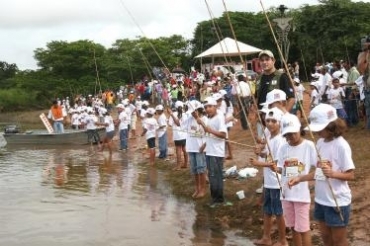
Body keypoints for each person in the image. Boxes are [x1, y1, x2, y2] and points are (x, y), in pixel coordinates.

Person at [289, 104, 355, 246]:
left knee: (338, 240)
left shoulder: (341, 146)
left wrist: (332, 173)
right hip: (321, 200)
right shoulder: (319, 142)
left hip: (338, 201)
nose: (317, 132)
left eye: (320, 128)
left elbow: (350, 175)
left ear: (331, 126)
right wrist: (300, 178)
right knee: (325, 237)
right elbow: (320, 173)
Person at [276, 113, 317, 246]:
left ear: (300, 129)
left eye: (294, 132)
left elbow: (319, 170)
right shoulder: (283, 148)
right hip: (286, 194)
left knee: (304, 229)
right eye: (288, 134)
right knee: (293, 227)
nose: (291, 136)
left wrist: (300, 178)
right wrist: (274, 168)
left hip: (301, 195)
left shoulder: (309, 146)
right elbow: (282, 169)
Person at [249, 107, 288, 246]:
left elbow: (275, 163)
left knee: (278, 212)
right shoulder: (270, 137)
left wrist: (258, 162)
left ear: (280, 123)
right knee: (267, 210)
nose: (270, 123)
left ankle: (283, 240)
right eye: (268, 121)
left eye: (273, 121)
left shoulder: (280, 140)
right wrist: (260, 153)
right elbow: (268, 155)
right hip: (269, 182)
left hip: (277, 182)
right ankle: (266, 238)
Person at [196, 97, 229, 208]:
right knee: (211, 175)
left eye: (210, 106)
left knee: (216, 176)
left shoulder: (219, 118)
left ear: (215, 107)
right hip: (209, 151)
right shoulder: (210, 119)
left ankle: (219, 199)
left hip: (216, 153)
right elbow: (209, 135)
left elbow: (223, 135)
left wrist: (209, 130)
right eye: (206, 107)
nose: (208, 109)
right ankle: (214, 198)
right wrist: (204, 145)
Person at [182, 100, 208, 198]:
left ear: (198, 110)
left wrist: (200, 121)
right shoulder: (189, 119)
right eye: (191, 113)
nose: (192, 114)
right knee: (194, 170)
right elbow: (180, 125)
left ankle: (202, 189)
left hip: (200, 148)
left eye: (194, 112)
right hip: (191, 147)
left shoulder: (205, 119)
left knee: (201, 169)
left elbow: (208, 132)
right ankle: (197, 188)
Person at [167, 101, 188, 170]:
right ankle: (185, 163)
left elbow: (170, 124)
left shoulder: (173, 114)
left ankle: (178, 166)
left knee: (178, 150)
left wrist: (170, 115)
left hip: (177, 135)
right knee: (184, 149)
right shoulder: (185, 114)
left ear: (175, 107)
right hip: (185, 135)